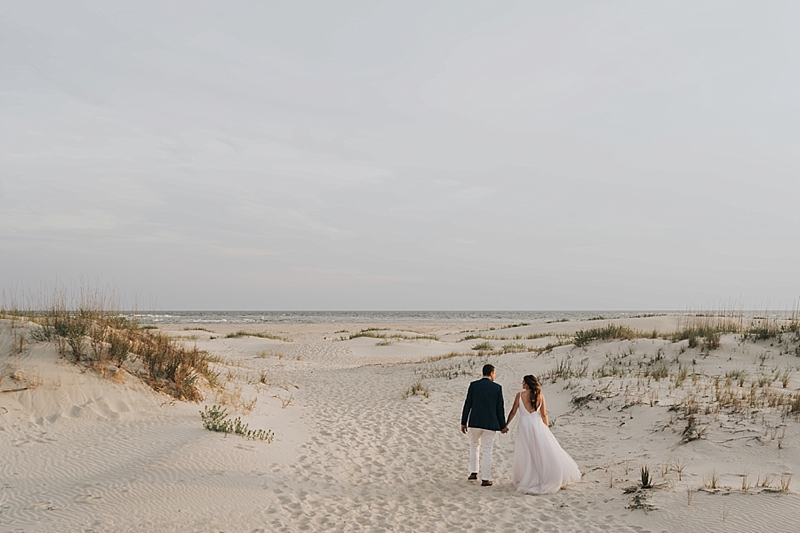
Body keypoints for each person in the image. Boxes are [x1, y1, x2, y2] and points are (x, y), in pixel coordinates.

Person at [505, 374, 581, 494]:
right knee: (541, 451)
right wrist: (546, 428)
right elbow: (544, 414)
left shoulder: (520, 395)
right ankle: (543, 476)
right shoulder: (540, 396)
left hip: (524, 426)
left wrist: (506, 424)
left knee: (527, 451)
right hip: (537, 425)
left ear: (528, 383)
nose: (522, 384)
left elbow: (513, 411)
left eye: (523, 382)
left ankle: (530, 476)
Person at [460, 364, 508, 486]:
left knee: (474, 446)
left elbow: (467, 404)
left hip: (475, 422)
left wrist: (463, 421)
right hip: (490, 423)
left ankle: (473, 472)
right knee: (487, 450)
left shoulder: (474, 385)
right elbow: (499, 409)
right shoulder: (497, 388)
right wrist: (503, 425)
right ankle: (485, 478)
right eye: (494, 373)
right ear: (491, 373)